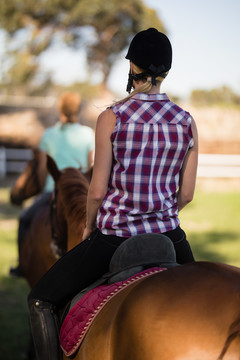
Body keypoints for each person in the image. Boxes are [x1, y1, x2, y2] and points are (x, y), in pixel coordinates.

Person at [28, 28, 198, 360]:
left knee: (40, 299)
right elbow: (187, 193)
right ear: (166, 71)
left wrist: (90, 226)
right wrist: (161, 212)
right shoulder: (186, 122)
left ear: (131, 67)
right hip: (169, 236)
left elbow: (96, 192)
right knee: (200, 290)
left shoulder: (112, 117)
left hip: (116, 236)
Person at [10, 92, 95, 276]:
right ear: (78, 111)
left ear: (60, 110)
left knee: (25, 218)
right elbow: (89, 169)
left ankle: (20, 266)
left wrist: (43, 190)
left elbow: (42, 170)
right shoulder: (88, 134)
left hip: (52, 192)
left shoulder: (49, 134)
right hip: (79, 195)